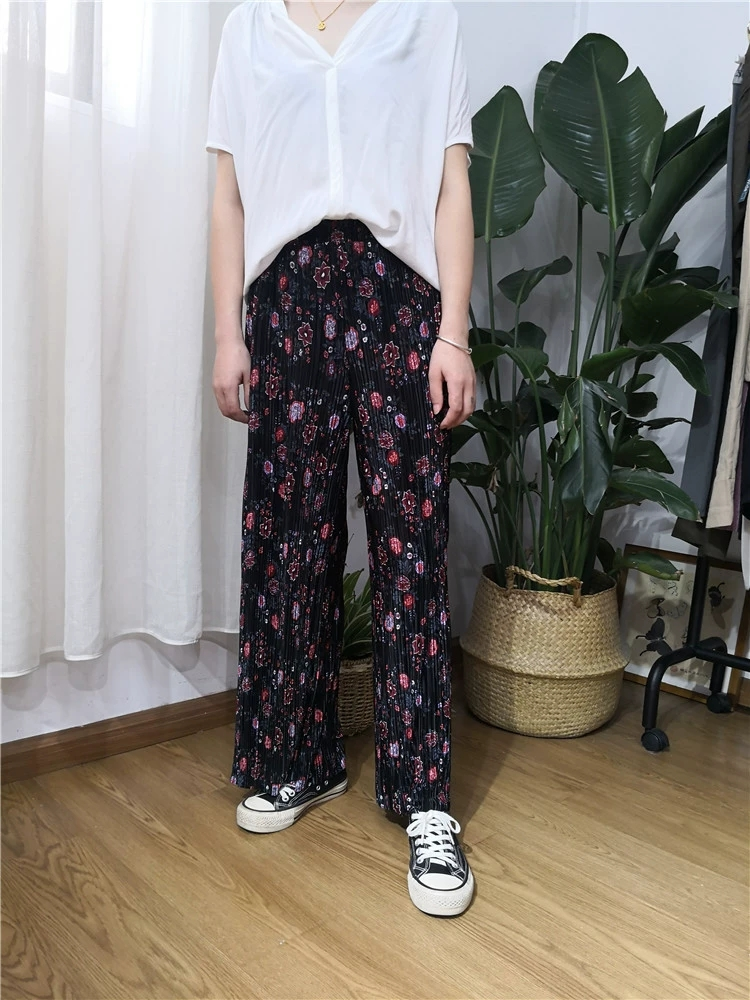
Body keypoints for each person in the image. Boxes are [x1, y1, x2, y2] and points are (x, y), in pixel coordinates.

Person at [206, 0, 477, 917]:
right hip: (284, 298)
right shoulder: (247, 31)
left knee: (411, 545)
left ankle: (424, 797)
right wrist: (228, 335)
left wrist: (453, 332)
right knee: (290, 542)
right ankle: (298, 758)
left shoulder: (426, 19)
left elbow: (450, 185)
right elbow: (229, 197)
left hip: (401, 296)